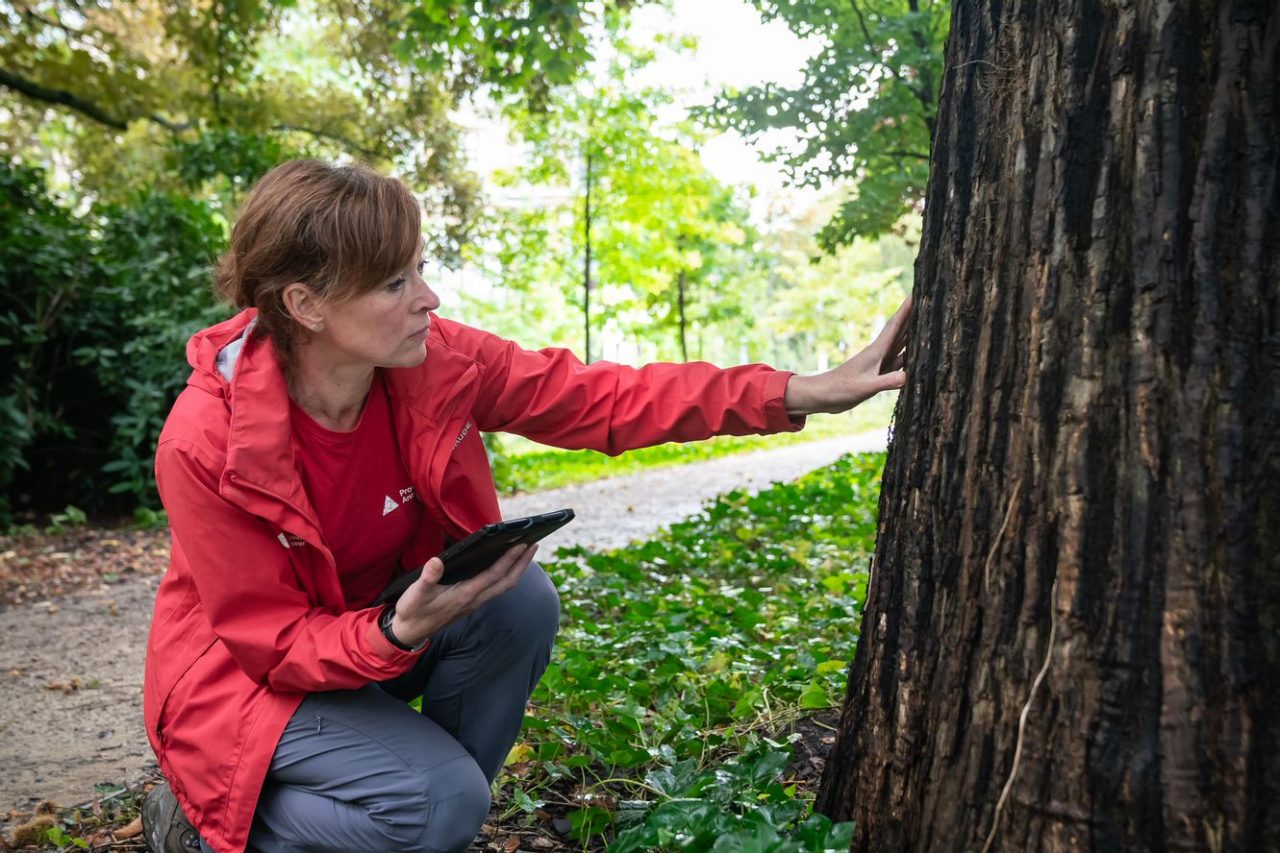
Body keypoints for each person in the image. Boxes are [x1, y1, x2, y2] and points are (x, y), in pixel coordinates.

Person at [140, 159, 910, 853]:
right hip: (245, 683)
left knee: (517, 603)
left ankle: (416, 821)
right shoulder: (207, 441)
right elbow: (269, 642)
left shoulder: (435, 360)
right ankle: (209, 830)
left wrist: (798, 390)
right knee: (438, 801)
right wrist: (393, 630)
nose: (427, 298)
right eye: (394, 283)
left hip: (367, 634)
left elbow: (601, 399)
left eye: (420, 271)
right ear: (305, 304)